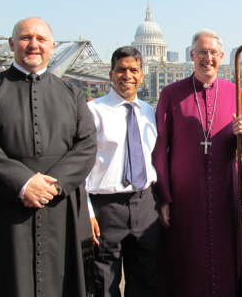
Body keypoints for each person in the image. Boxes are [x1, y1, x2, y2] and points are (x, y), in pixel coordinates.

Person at [0, 17, 97, 297]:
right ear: (11, 44)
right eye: (25, 38)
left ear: (53, 47)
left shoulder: (73, 93)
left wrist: (52, 186)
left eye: (41, 39)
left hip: (60, 206)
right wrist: (22, 183)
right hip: (5, 207)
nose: (33, 44)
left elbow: (87, 145)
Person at [152, 28, 242, 297]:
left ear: (221, 56)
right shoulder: (172, 93)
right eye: (201, 52)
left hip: (224, 196)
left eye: (213, 53)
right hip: (184, 199)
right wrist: (164, 197)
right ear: (191, 55)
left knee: (224, 255)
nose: (207, 58)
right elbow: (159, 148)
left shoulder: (236, 93)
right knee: (187, 261)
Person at [86, 47, 160, 297]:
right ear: (110, 74)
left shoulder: (149, 112)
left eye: (133, 70)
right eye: (121, 69)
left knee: (146, 277)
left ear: (141, 75)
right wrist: (87, 212)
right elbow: (81, 165)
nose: (127, 75)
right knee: (104, 280)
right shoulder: (92, 112)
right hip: (106, 208)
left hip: (145, 203)